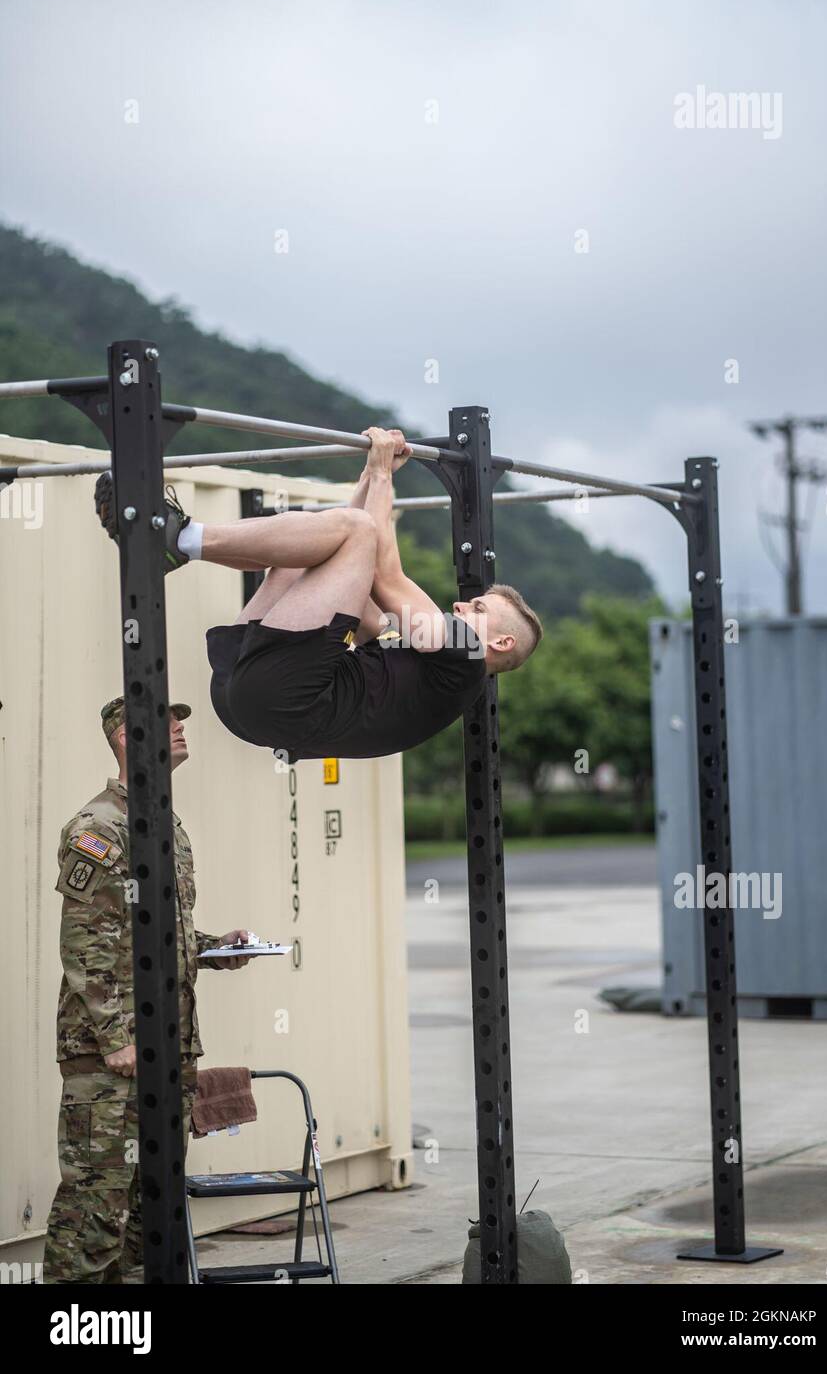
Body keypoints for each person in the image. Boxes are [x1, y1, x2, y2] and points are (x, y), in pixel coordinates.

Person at [95, 427, 542, 763]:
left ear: (500, 643)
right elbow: (350, 568)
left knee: (357, 530)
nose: (463, 605)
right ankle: (176, 547)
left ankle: (182, 540)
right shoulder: (427, 668)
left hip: (285, 697)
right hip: (245, 697)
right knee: (311, 546)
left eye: (479, 608)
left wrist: (385, 474)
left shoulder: (463, 655)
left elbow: (384, 573)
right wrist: (370, 475)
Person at [42, 698, 254, 1284]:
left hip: (166, 1050)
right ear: (126, 738)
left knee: (149, 1210)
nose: (181, 727)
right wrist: (115, 1038)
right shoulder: (100, 827)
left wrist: (215, 948)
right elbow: (84, 943)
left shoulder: (162, 821)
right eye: (166, 720)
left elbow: (154, 934)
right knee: (96, 1207)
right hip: (115, 1056)